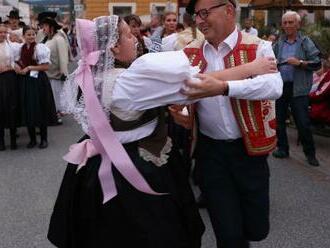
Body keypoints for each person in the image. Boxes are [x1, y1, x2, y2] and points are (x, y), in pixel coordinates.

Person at [47, 15, 277, 248]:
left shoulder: (93, 77)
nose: (135, 39)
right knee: (151, 231)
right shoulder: (127, 81)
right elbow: (195, 84)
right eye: (128, 35)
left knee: (104, 233)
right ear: (114, 47)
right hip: (133, 164)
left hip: (98, 165)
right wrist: (251, 67)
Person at [169, 0, 283, 247]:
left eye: (203, 13)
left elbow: (273, 86)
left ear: (229, 11)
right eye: (196, 15)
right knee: (227, 233)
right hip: (210, 152)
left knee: (256, 228)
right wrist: (185, 113)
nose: (198, 21)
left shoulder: (259, 46)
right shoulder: (189, 52)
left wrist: (224, 87)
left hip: (250, 151)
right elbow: (182, 91)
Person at [272, 11, 321, 166]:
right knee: (279, 120)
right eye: (285, 22)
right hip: (281, 87)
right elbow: (270, 61)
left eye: (291, 22)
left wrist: (299, 63)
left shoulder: (305, 42)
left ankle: (310, 154)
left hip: (299, 88)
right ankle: (283, 149)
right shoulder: (279, 43)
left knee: (302, 123)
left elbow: (317, 63)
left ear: (298, 24)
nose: (287, 25)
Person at [15, 26, 57, 149]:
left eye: (33, 34)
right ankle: (32, 139)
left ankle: (44, 139)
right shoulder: (20, 48)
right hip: (25, 81)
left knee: (40, 108)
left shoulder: (40, 48)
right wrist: (18, 69)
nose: (31, 37)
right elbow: (17, 62)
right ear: (24, 36)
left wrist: (29, 68)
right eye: (28, 34)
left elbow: (45, 67)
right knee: (28, 109)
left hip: (38, 81)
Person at [42, 17, 69, 124]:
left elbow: (63, 58)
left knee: (56, 96)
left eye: (45, 26)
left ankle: (56, 116)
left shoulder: (59, 39)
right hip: (47, 73)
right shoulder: (48, 39)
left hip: (56, 74)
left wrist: (64, 72)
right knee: (50, 96)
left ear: (51, 27)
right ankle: (51, 115)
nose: (43, 28)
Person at [0, 24, 20, 151]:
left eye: (3, 32)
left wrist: (9, 68)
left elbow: (17, 61)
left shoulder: (11, 46)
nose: (2, 35)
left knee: (12, 107)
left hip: (10, 79)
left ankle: (13, 140)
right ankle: (1, 141)